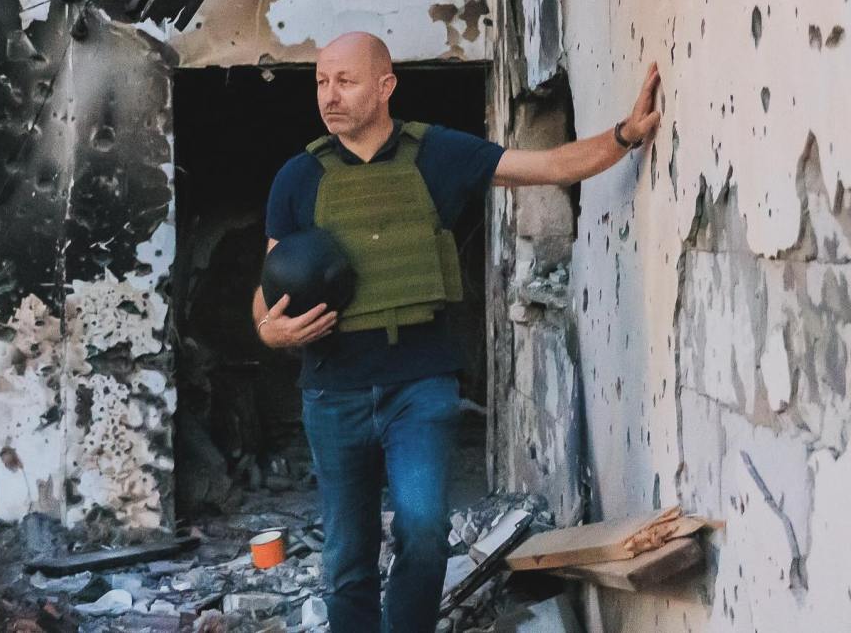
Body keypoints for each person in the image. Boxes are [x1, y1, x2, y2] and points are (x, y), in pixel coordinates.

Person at [251, 32, 660, 632]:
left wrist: (624, 135)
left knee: (423, 529)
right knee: (346, 552)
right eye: (320, 82)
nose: (329, 96)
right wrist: (269, 331)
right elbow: (270, 284)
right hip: (332, 390)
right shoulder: (297, 176)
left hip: (419, 384)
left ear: (386, 86)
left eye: (346, 81)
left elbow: (548, 166)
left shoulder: (438, 153)